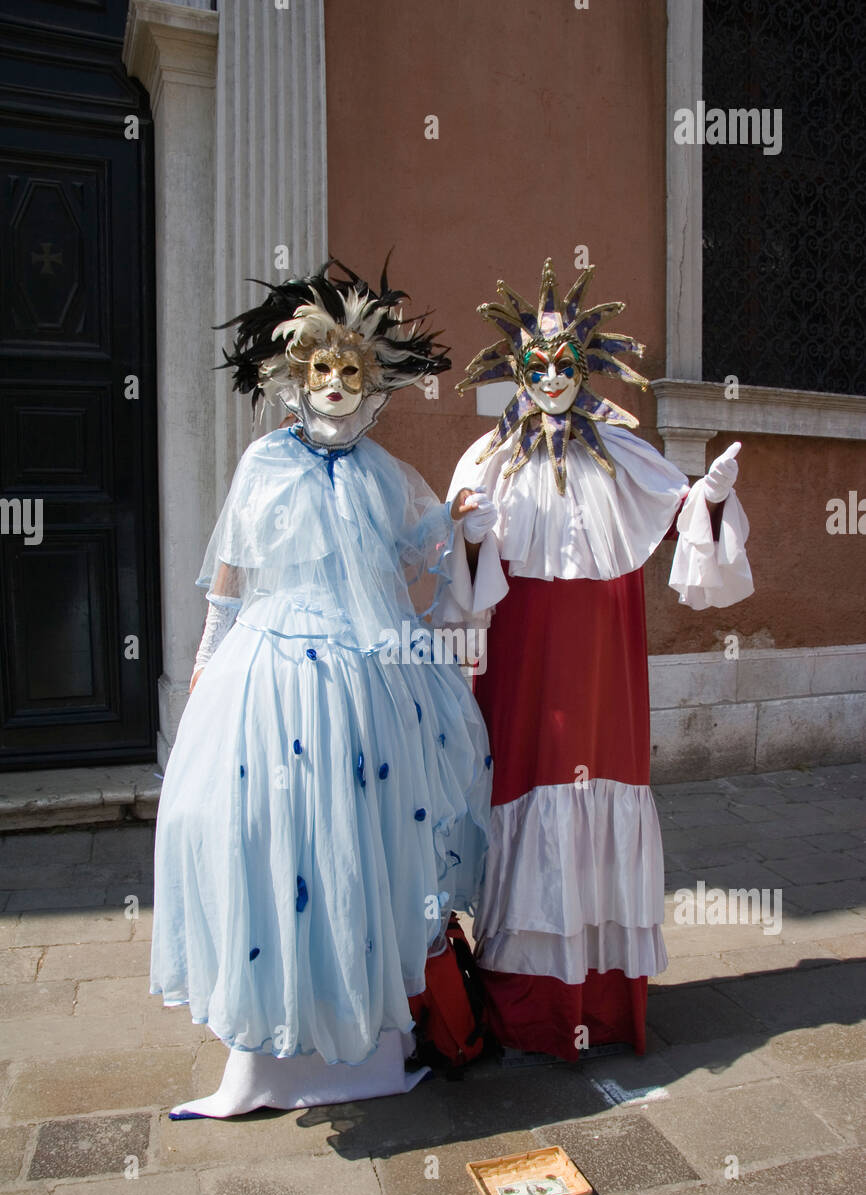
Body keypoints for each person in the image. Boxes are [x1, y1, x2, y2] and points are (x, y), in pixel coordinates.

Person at [150, 260, 493, 1117]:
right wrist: (207, 654)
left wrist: (466, 529)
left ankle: (365, 1049)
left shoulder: (383, 472)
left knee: (364, 843)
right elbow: (230, 575)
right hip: (269, 675)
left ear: (370, 384)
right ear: (294, 378)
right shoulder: (263, 463)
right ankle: (272, 1055)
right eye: (320, 370)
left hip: (367, 679)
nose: (335, 386)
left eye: (350, 372)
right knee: (270, 839)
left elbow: (429, 556)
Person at [436, 256, 753, 1060]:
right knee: (526, 794)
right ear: (516, 370)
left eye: (564, 364)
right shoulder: (485, 461)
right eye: (534, 366)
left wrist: (709, 499)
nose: (549, 378)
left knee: (600, 790)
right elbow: (457, 587)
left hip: (602, 661)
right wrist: (467, 539)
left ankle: (602, 999)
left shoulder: (622, 449)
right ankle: (533, 1003)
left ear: (587, 365)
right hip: (522, 662)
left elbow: (678, 516)